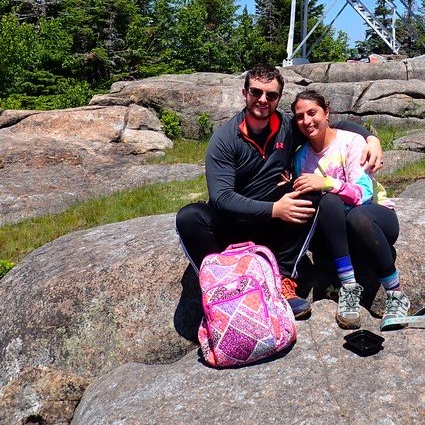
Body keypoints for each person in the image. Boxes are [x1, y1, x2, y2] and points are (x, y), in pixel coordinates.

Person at [175, 65, 382, 320]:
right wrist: (275, 209)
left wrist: (372, 139)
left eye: (271, 95)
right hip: (233, 224)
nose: (263, 100)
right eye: (256, 92)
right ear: (245, 93)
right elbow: (222, 198)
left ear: (278, 99)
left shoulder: (287, 125)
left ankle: (284, 281)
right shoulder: (225, 139)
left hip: (276, 228)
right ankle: (225, 287)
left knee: (313, 190)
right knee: (189, 216)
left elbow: (330, 123)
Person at [291, 90, 410, 331]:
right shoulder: (301, 157)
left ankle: (396, 295)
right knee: (329, 202)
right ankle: (348, 287)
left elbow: (364, 194)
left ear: (327, 112)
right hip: (335, 233)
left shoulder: (352, 141)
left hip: (373, 220)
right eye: (300, 116)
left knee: (356, 215)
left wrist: (326, 183)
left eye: (312, 113)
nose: (307, 121)